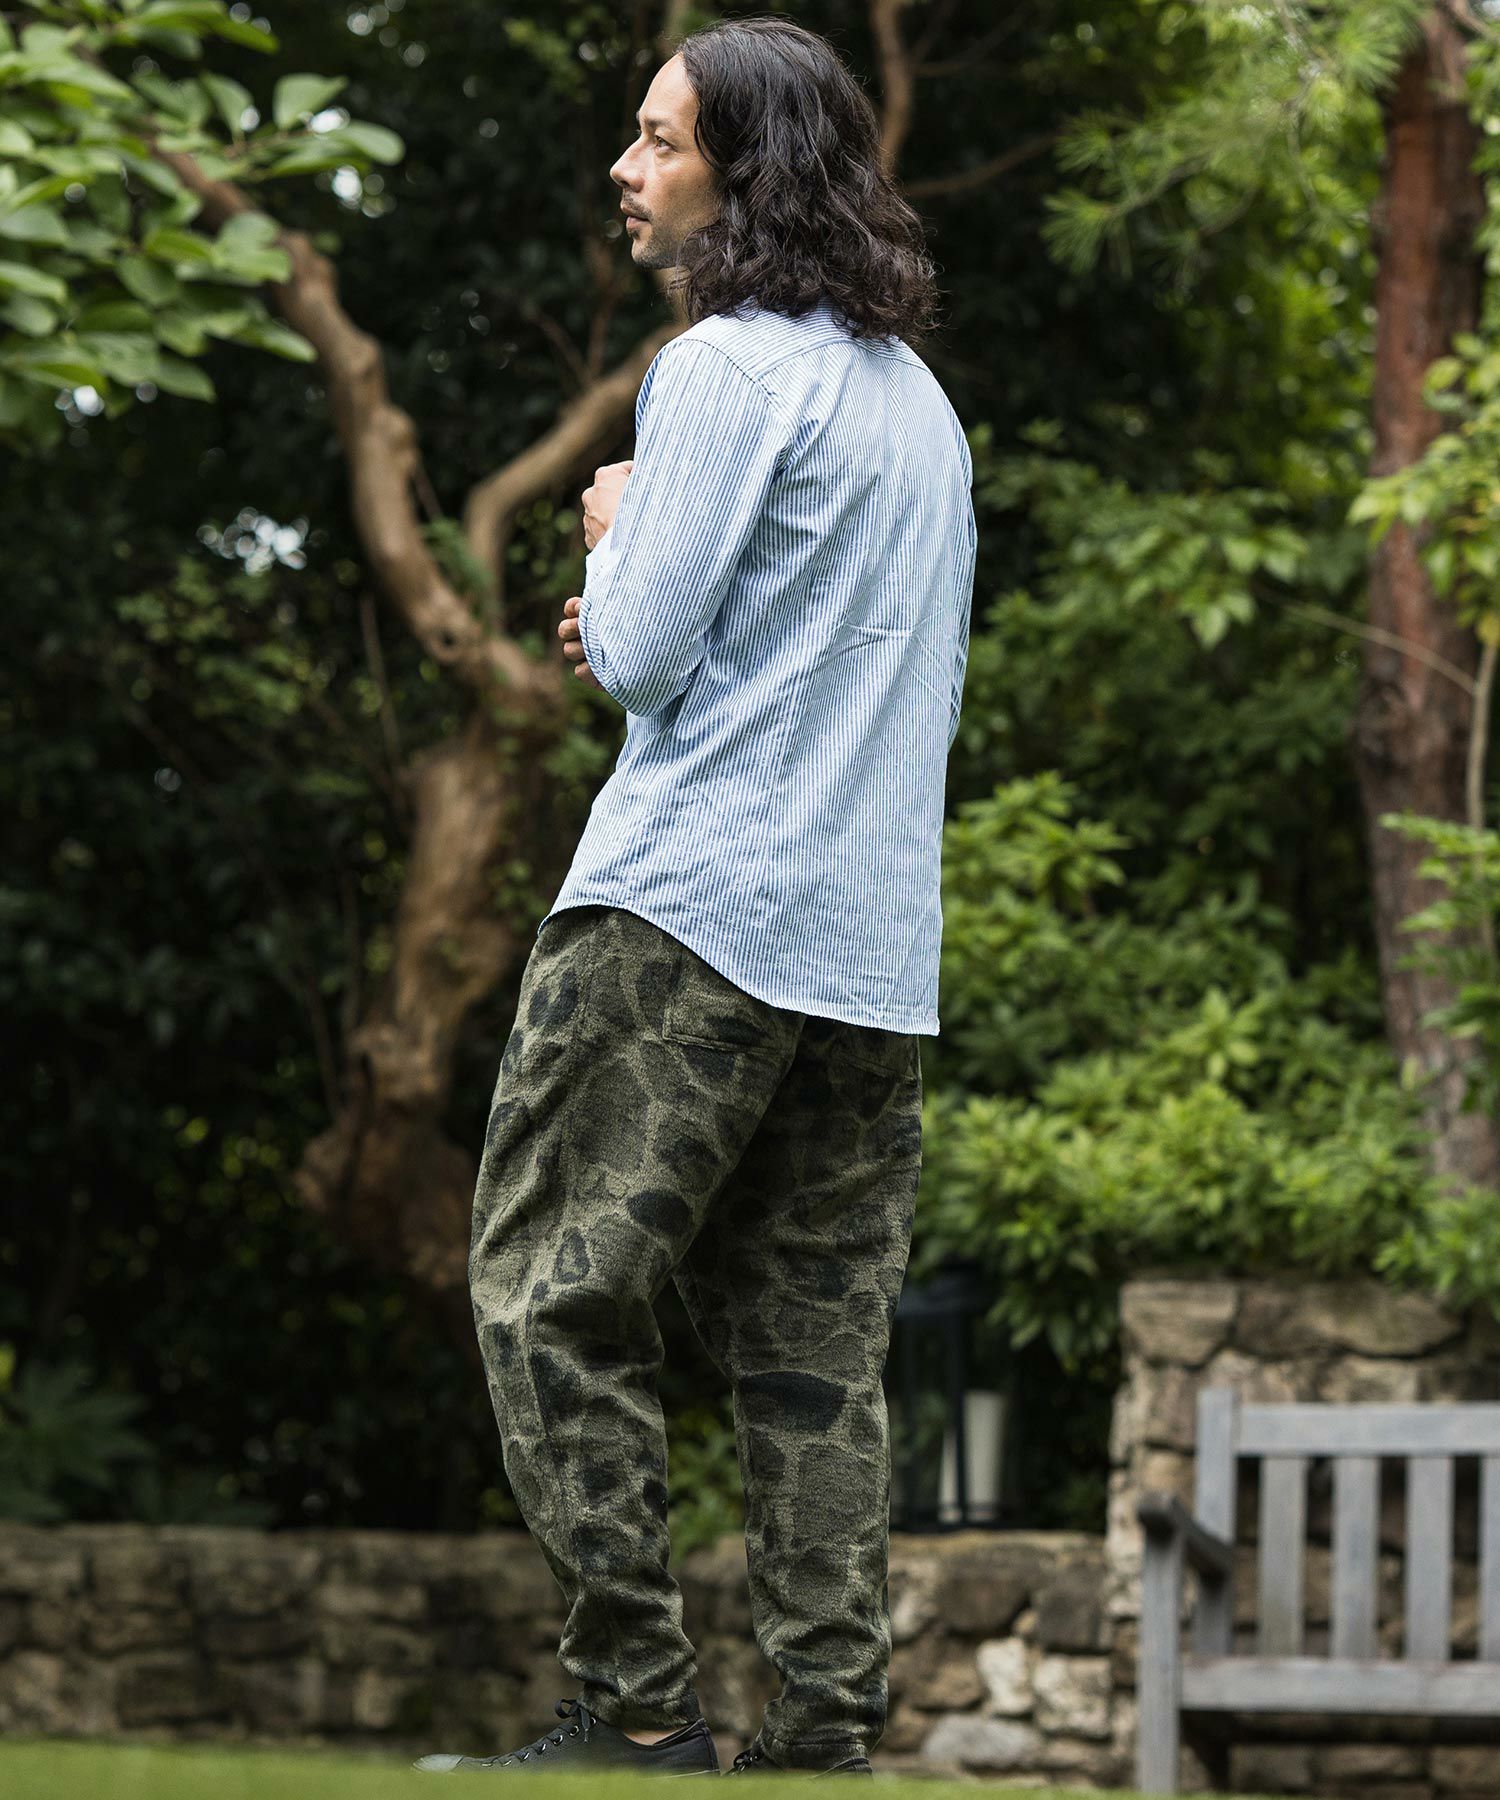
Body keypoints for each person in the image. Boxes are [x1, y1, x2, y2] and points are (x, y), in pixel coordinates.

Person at [414, 13, 975, 1781]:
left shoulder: (722, 368)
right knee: (812, 1356)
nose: (626, 166)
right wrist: (644, 581)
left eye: (659, 139)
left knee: (546, 1294)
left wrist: (615, 535)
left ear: (749, 169)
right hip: (868, 958)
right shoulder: (921, 408)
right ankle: (825, 1731)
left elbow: (647, 660)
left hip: (688, 911)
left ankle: (640, 1705)